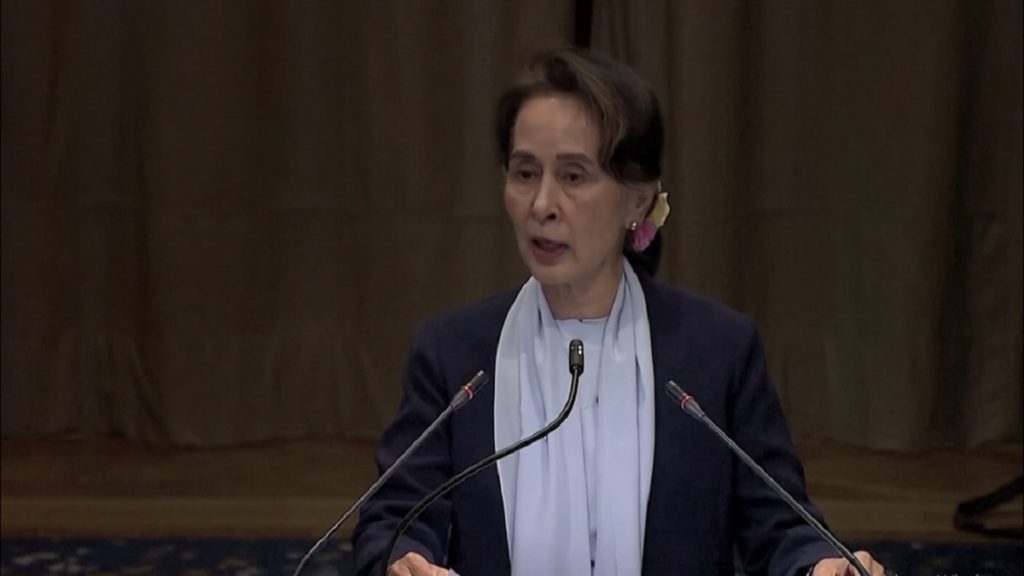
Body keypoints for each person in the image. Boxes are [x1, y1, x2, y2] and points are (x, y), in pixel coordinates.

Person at [352, 48, 887, 576]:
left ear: (638, 200)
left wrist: (819, 566)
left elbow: (782, 524)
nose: (542, 204)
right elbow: (393, 519)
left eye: (573, 176)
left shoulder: (716, 351)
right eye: (525, 173)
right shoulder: (454, 355)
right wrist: (401, 562)